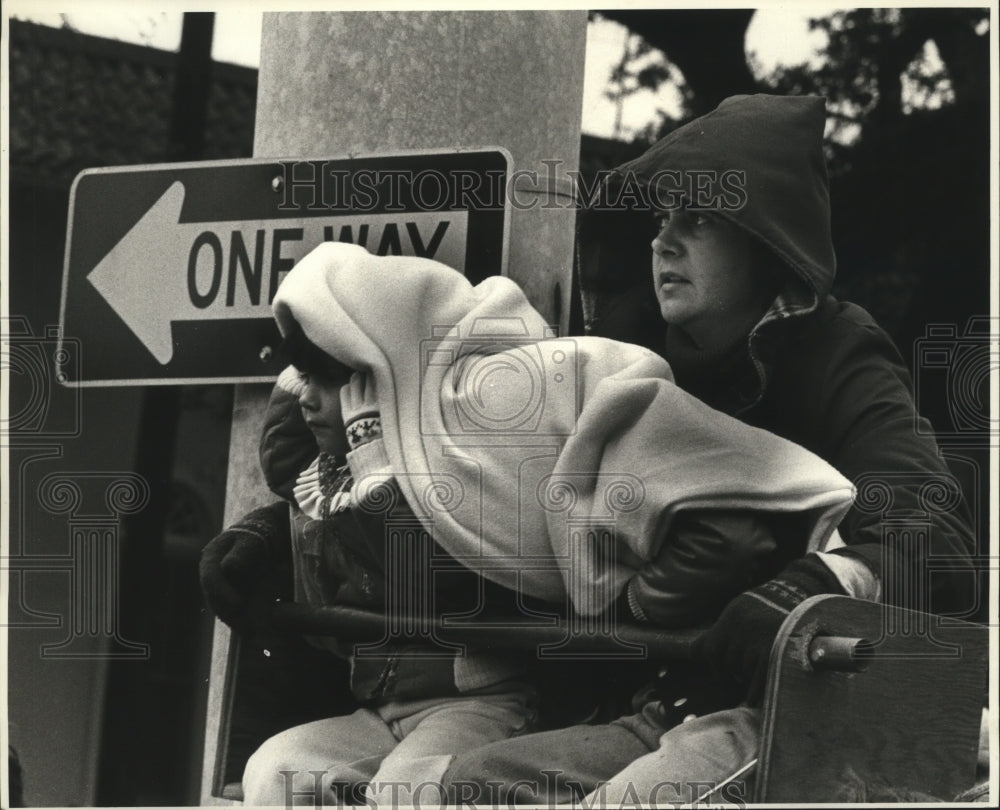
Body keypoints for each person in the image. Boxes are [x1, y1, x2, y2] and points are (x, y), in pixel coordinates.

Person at [438, 93, 977, 805]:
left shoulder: (838, 352)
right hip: (667, 697)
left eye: (696, 220)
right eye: (662, 220)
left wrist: (809, 586)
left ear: (767, 240)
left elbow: (935, 540)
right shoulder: (626, 358)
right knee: (478, 785)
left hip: (800, 704)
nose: (663, 242)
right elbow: (491, 487)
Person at [200, 238, 857, 804]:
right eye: (299, 375)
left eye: (328, 374)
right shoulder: (360, 466)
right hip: (393, 705)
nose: (307, 395)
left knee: (413, 792)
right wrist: (268, 533)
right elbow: (332, 525)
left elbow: (424, 550)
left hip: (491, 701)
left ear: (375, 376)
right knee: (274, 775)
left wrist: (630, 599)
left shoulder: (473, 431)